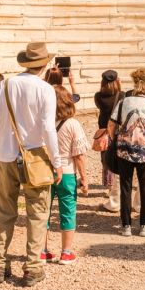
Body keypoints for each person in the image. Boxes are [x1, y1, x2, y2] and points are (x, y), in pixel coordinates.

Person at [0, 42, 63, 287]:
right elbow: (49, 128)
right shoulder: (46, 89)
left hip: (5, 156)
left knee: (4, 211)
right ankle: (32, 268)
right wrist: (57, 161)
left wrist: (4, 139)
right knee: (37, 214)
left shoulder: (4, 85)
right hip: (35, 155)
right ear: (46, 64)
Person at [108, 68, 145, 237]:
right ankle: (144, 225)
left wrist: (118, 139)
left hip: (124, 150)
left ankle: (126, 226)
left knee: (125, 187)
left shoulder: (124, 102)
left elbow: (111, 125)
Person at [42, 87, 88, 265]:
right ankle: (66, 252)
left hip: (45, 171)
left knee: (44, 211)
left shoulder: (43, 122)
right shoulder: (72, 124)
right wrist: (84, 178)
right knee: (68, 211)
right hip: (67, 172)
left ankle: (42, 250)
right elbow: (79, 155)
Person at [93, 70, 123, 212]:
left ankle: (109, 186)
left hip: (103, 131)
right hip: (116, 131)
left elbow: (100, 107)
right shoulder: (122, 96)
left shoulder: (98, 96)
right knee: (117, 158)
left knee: (105, 159)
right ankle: (116, 188)